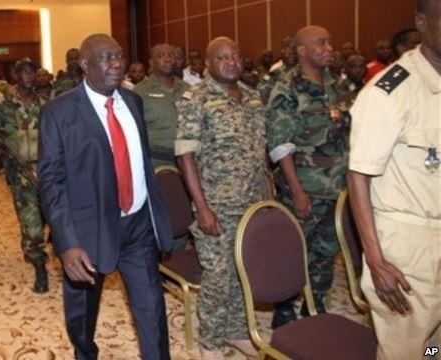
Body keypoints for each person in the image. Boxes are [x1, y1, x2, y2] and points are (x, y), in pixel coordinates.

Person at [38, 33, 173, 360]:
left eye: (119, 56)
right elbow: (51, 183)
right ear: (84, 64)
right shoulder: (58, 112)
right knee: (82, 317)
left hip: (138, 226)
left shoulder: (133, 102)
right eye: (106, 58)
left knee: (152, 309)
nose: (116, 64)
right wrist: (67, 244)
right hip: (87, 233)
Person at [347, 0, 441, 358]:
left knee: (433, 349)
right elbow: (358, 177)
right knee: (406, 349)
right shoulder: (389, 92)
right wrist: (375, 259)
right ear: (421, 22)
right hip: (408, 247)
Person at [175, 37, 271, 359]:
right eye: (222, 57)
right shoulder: (196, 98)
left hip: (252, 203)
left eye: (236, 56)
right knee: (218, 275)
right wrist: (201, 207)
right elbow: (185, 155)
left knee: (245, 269)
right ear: (208, 63)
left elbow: (260, 153)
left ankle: (238, 331)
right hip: (216, 204)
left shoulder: (253, 97)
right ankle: (212, 340)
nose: (231, 62)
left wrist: (267, 197)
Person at [266, 25, 349, 329]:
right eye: (321, 43)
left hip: (336, 186)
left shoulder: (337, 85)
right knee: (294, 248)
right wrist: (298, 191)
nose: (329, 48)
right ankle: (285, 306)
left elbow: (347, 135)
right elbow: (279, 144)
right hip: (305, 186)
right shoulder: (287, 87)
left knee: (326, 250)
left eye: (329, 42)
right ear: (302, 50)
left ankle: (315, 301)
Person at [0, 58, 50, 293]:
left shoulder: (46, 104)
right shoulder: (3, 108)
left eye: (32, 71)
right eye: (23, 71)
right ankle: (39, 265)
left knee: (49, 216)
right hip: (21, 173)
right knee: (30, 222)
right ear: (15, 76)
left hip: (48, 171)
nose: (28, 75)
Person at [133, 43, 190, 169]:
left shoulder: (189, 89)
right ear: (151, 63)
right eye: (161, 56)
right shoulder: (139, 92)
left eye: (171, 55)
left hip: (188, 161)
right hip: (155, 162)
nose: (167, 59)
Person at [257, 36, 297, 105]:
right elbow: (261, 92)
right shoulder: (274, 72)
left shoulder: (308, 71)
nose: (291, 51)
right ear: (282, 50)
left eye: (294, 47)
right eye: (288, 47)